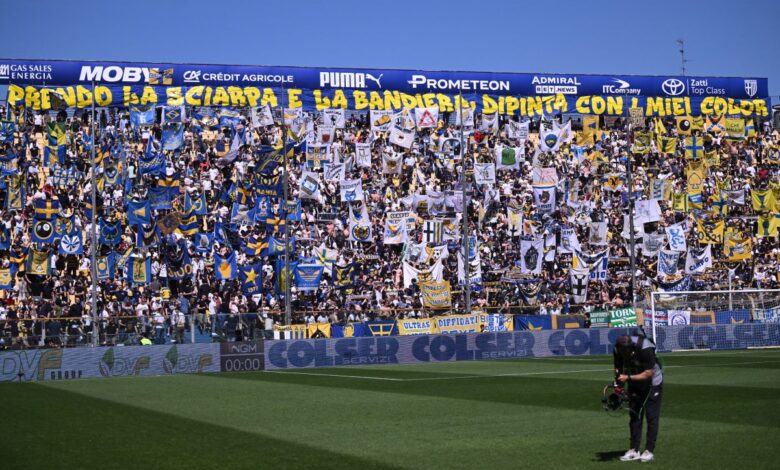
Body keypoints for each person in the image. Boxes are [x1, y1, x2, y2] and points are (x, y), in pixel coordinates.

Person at [614, 334, 664, 463]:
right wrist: (618, 386)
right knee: (635, 415)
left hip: (653, 382)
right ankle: (634, 450)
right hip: (634, 379)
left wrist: (628, 378)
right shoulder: (617, 349)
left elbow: (649, 373)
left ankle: (649, 450)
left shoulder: (645, 348)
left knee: (651, 416)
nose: (624, 355)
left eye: (626, 352)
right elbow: (618, 368)